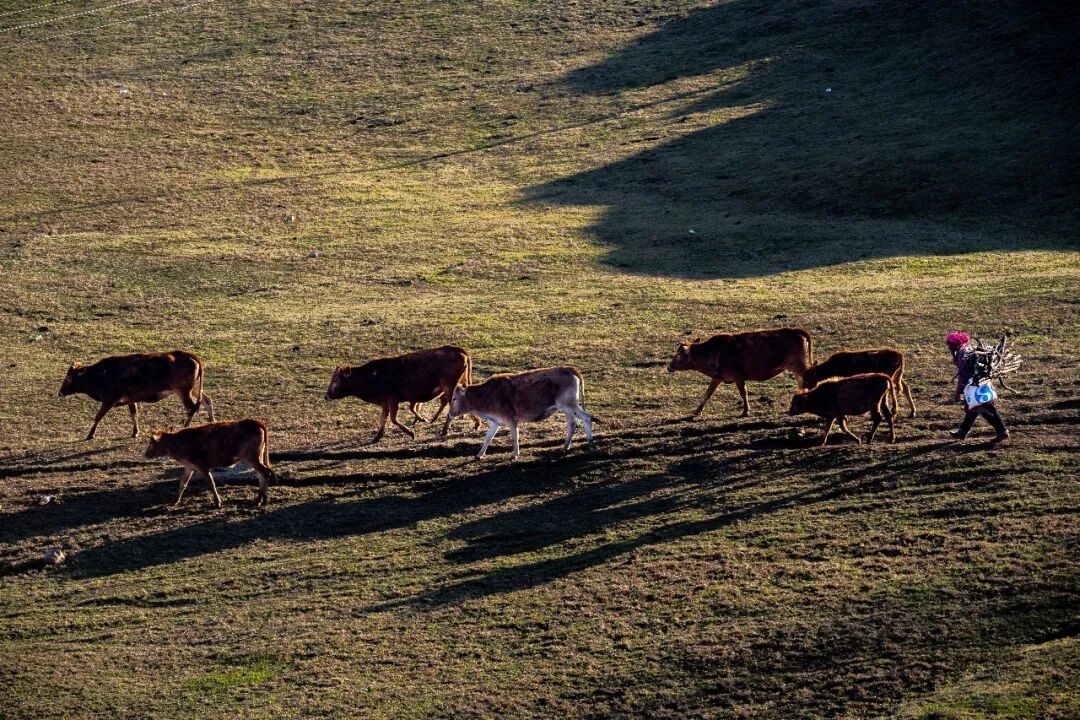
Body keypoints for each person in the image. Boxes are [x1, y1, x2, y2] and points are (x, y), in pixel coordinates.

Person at [946, 332, 1009, 444]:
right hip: (982, 382)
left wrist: (958, 392)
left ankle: (1002, 430)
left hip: (974, 385)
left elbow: (963, 376)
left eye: (950, 345)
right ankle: (963, 431)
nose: (949, 348)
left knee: (985, 408)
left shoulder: (962, 354)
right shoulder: (968, 350)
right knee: (974, 407)